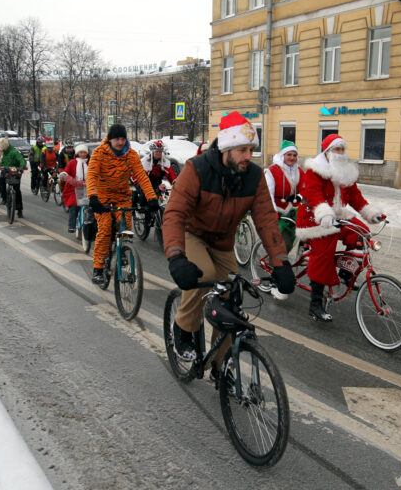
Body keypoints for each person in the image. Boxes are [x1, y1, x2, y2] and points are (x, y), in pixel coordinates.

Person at [162, 111, 295, 372]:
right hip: (193, 234)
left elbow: (267, 220)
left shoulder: (253, 177)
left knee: (231, 298)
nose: (249, 156)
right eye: (243, 150)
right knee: (205, 275)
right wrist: (176, 256)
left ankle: (219, 365)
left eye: (252, 150)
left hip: (223, 242)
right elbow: (175, 213)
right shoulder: (196, 169)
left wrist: (280, 263)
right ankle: (183, 329)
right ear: (227, 148)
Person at [296, 134, 384, 322]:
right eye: (337, 149)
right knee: (324, 253)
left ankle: (346, 271)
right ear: (327, 152)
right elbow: (313, 194)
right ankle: (315, 305)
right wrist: (324, 214)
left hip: (336, 215)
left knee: (362, 233)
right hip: (313, 217)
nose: (341, 153)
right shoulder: (315, 170)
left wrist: (370, 213)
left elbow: (354, 197)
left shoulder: (345, 172)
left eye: (343, 149)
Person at [86, 124, 158, 284]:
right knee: (104, 229)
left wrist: (152, 198)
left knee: (126, 228)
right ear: (110, 139)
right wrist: (93, 197)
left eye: (123, 138)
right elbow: (91, 176)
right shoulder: (99, 153)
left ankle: (124, 251)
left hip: (122, 196)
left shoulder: (131, 155)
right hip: (102, 197)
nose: (120, 142)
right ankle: (98, 268)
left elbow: (142, 177)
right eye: (117, 139)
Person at [264, 139, 304, 254]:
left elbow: (307, 190)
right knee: (282, 244)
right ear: (282, 155)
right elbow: (268, 193)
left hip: (293, 211)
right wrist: (273, 211)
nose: (292, 158)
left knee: (290, 242)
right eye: (289, 155)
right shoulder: (272, 171)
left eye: (294, 155)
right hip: (278, 211)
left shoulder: (299, 171)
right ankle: (278, 266)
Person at [60, 144, 90, 233]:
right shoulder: (72, 163)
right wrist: (66, 177)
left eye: (84, 152)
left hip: (89, 188)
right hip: (74, 189)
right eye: (81, 152)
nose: (83, 154)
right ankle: (71, 225)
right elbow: (66, 172)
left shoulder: (91, 163)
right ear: (77, 153)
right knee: (74, 206)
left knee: (93, 207)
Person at [0, 137, 27, 218]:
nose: (2, 149)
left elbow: (22, 160)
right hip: (6, 171)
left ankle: (19, 209)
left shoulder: (14, 152)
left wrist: (22, 167)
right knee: (1, 181)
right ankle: (4, 198)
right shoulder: (3, 153)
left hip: (15, 171)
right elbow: (1, 162)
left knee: (17, 190)